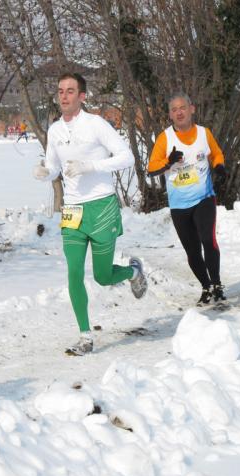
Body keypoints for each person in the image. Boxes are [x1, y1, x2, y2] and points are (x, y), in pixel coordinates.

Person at [34, 72, 147, 356]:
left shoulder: (96, 124)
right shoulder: (55, 130)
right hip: (72, 210)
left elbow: (126, 157)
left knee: (102, 276)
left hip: (101, 207)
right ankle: (85, 336)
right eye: (60, 90)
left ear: (82, 96)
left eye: (70, 91)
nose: (63, 95)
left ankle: (133, 271)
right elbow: (55, 166)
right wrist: (46, 172)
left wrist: (91, 167)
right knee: (73, 272)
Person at [147, 93, 227, 306]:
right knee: (192, 250)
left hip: (204, 198)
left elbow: (216, 153)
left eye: (182, 107)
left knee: (208, 241)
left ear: (192, 108)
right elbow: (151, 168)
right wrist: (168, 161)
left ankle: (217, 284)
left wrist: (219, 166)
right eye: (174, 109)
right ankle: (206, 285)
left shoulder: (204, 133)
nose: (179, 112)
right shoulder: (165, 138)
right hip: (179, 205)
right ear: (170, 115)